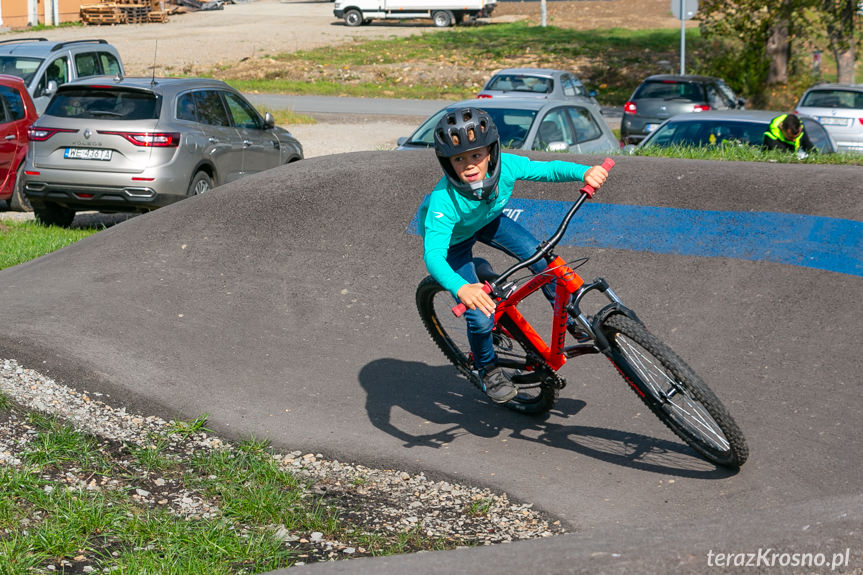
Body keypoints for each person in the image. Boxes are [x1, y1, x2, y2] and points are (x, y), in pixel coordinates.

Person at [418, 107, 608, 404]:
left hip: (488, 220)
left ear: (491, 152)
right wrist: (461, 288)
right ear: (447, 163)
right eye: (458, 159)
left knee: (544, 260)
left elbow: (547, 170)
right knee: (480, 317)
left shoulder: (507, 167)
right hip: (454, 242)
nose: (469, 165)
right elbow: (433, 257)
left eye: (475, 155)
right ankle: (488, 369)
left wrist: (582, 172)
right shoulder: (444, 201)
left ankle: (570, 319)